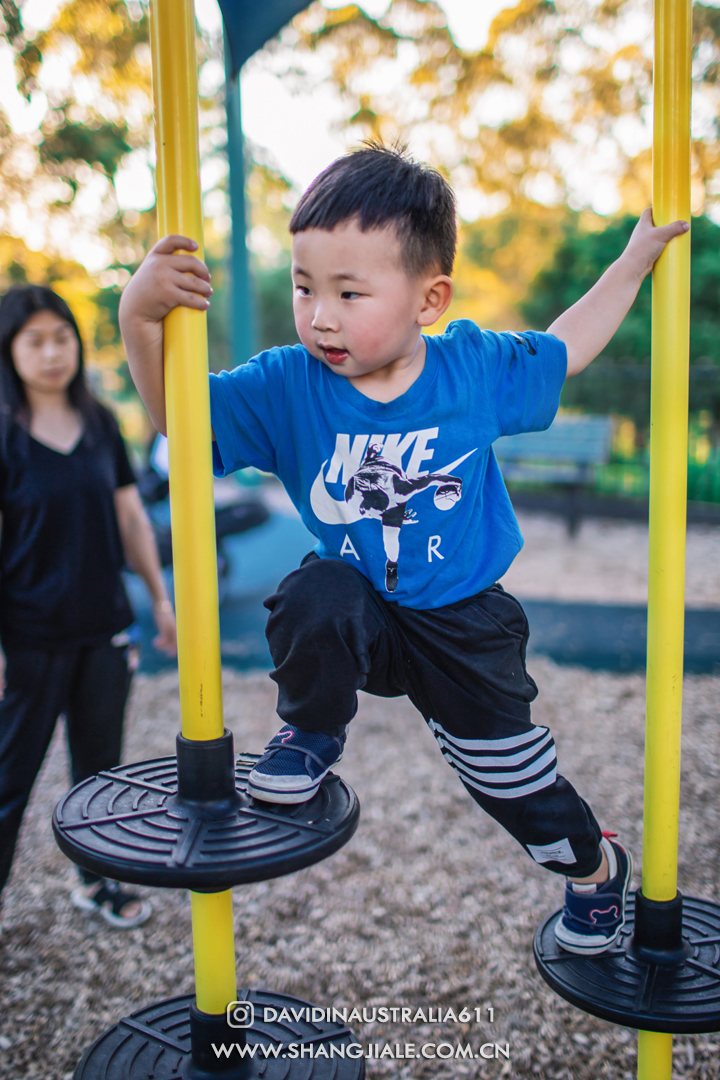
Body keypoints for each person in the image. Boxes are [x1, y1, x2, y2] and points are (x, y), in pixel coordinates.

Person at [119, 145, 687, 957]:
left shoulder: (472, 370)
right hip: (360, 611)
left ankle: (594, 870)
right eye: (305, 285)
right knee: (318, 590)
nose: (320, 314)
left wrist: (632, 265)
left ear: (430, 298)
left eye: (350, 293)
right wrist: (138, 319)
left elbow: (567, 344)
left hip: (463, 625)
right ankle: (310, 732)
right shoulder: (287, 383)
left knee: (514, 788)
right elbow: (182, 416)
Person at [0, 284, 177, 930]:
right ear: (10, 350)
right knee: (8, 779)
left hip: (104, 628)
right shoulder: (4, 433)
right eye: (35, 340)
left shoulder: (101, 422)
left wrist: (160, 600)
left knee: (99, 775)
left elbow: (131, 517)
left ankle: (97, 884)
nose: (52, 353)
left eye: (62, 337)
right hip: (29, 637)